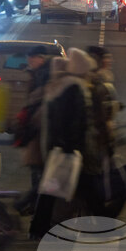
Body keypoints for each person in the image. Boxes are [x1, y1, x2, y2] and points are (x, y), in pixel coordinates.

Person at [30, 52, 93, 238]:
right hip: (69, 149)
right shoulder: (74, 87)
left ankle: (38, 227)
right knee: (83, 191)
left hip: (58, 147)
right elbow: (73, 121)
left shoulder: (57, 87)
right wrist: (72, 145)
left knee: (51, 190)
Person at [15, 46, 52, 216]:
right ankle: (35, 204)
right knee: (38, 171)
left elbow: (39, 105)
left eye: (32, 58)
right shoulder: (37, 74)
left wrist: (30, 121)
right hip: (37, 132)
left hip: (42, 132)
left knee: (42, 173)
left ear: (40, 58)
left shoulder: (45, 76)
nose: (30, 62)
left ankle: (31, 202)